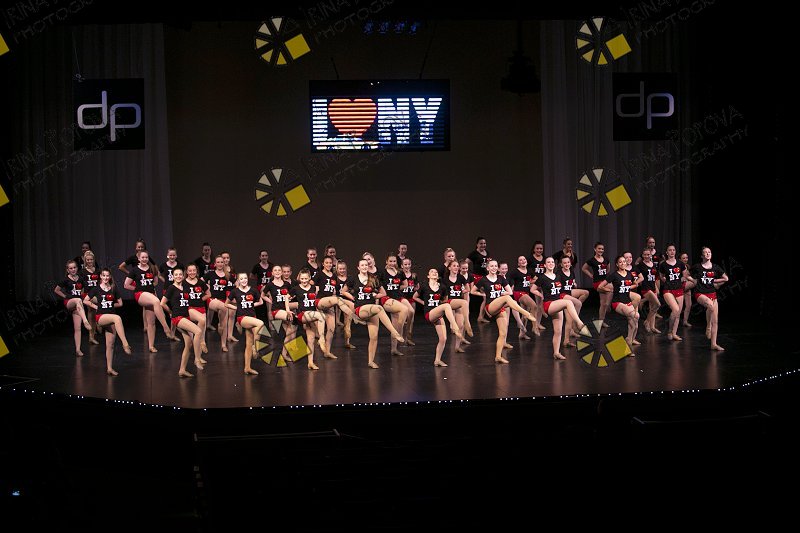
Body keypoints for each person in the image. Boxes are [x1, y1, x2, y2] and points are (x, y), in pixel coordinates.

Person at [470, 259, 538, 364]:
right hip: (490, 306)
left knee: (503, 333)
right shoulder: (483, 280)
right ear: (487, 268)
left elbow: (510, 292)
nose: (493, 268)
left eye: (495, 266)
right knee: (507, 299)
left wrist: (501, 293)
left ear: (497, 268)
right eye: (491, 266)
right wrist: (483, 294)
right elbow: (472, 291)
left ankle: (498, 356)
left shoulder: (501, 278)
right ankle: (526, 314)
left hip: (500, 306)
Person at [341, 258, 405, 369]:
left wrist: (375, 296)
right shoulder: (353, 278)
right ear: (358, 267)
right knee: (379, 308)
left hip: (372, 308)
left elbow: (383, 293)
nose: (364, 267)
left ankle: (371, 361)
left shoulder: (373, 278)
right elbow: (343, 291)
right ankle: (394, 332)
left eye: (366, 265)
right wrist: (353, 298)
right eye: (362, 265)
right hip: (360, 309)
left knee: (374, 337)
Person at [532, 257, 589, 360]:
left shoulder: (557, 276)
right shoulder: (542, 277)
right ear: (545, 265)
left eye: (552, 262)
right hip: (549, 304)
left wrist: (573, 284)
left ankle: (556, 353)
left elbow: (563, 288)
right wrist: (540, 295)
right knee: (568, 302)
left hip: (557, 303)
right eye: (548, 262)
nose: (550, 263)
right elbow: (533, 289)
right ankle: (579, 323)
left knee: (558, 331)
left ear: (554, 264)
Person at [123, 250, 176, 352]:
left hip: (151, 295)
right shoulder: (134, 270)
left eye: (146, 257)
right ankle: (166, 328)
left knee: (151, 322)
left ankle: (151, 346)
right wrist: (138, 288)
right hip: (140, 295)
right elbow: (126, 285)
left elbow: (155, 282)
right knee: (156, 301)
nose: (145, 259)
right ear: (139, 258)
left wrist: (149, 288)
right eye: (142, 257)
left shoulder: (152, 269)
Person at [83, 268, 132, 376]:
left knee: (110, 345)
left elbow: (120, 303)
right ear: (100, 276)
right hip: (100, 317)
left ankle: (109, 368)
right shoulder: (96, 288)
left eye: (107, 276)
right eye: (104, 275)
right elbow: (85, 300)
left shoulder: (113, 288)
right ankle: (125, 344)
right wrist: (96, 306)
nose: (105, 278)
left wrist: (110, 305)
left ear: (110, 277)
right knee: (117, 318)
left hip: (110, 316)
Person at [413, 268, 464, 366]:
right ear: (428, 276)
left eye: (436, 272)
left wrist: (441, 305)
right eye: (432, 272)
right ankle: (455, 327)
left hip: (438, 314)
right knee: (447, 306)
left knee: (443, 338)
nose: (434, 273)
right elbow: (415, 297)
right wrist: (424, 303)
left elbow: (445, 300)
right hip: (429, 314)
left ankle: (437, 360)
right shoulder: (424, 286)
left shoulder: (442, 287)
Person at [161, 268, 205, 377]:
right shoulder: (171, 288)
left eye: (180, 274)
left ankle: (182, 370)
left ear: (183, 275)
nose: (178, 276)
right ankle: (197, 359)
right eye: (176, 274)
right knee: (198, 331)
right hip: (178, 317)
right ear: (173, 276)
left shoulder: (184, 287)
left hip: (185, 316)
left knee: (188, 344)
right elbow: (162, 303)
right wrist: (170, 312)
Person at [314, 256, 361, 360]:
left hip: (330, 303)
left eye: (330, 263)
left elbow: (334, 291)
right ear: (323, 264)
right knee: (337, 299)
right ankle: (354, 317)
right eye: (326, 263)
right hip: (321, 301)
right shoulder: (319, 274)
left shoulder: (334, 277)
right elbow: (312, 285)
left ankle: (327, 352)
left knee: (331, 329)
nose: (329, 264)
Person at [686, 246, 728, 351]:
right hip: (700, 293)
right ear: (702, 255)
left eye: (709, 252)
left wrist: (715, 281)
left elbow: (726, 278)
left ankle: (713, 344)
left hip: (712, 294)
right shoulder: (697, 267)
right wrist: (694, 281)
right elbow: (686, 274)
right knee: (710, 305)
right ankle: (708, 326)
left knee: (715, 321)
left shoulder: (715, 267)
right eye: (705, 252)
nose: (708, 253)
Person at [288, 268, 330, 370]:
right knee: (321, 316)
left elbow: (315, 302)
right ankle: (321, 338)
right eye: (302, 279)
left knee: (310, 340)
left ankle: (310, 362)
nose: (304, 281)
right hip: (302, 314)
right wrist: (288, 310)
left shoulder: (314, 288)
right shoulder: (296, 288)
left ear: (309, 278)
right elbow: (286, 297)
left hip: (311, 315)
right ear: (299, 278)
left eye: (306, 278)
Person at [596, 255, 640, 351]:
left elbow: (636, 284)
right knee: (634, 317)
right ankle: (629, 345)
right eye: (620, 262)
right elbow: (600, 287)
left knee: (635, 323)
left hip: (628, 302)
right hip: (618, 303)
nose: (623, 263)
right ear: (617, 264)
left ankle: (629, 339)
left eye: (624, 261)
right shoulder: (614, 275)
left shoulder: (629, 274)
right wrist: (609, 290)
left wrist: (628, 287)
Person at [226, 272, 266, 375]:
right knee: (261, 323)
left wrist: (251, 304)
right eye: (241, 279)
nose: (244, 280)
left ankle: (247, 368)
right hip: (242, 318)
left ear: (247, 279)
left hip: (252, 317)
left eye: (245, 278)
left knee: (248, 343)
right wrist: (237, 308)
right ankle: (255, 347)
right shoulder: (235, 291)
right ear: (238, 281)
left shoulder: (253, 290)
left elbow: (261, 302)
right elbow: (226, 304)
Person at [54, 259, 91, 356]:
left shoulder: (81, 279)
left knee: (77, 328)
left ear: (77, 268)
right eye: (71, 268)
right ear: (67, 270)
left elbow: (83, 290)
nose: (73, 269)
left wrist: (83, 297)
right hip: (69, 302)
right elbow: (56, 290)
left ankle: (78, 350)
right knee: (77, 300)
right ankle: (85, 321)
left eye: (74, 267)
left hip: (78, 306)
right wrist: (65, 296)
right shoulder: (65, 279)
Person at [118, 239, 156, 331]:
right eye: (138, 247)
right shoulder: (132, 258)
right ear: (136, 248)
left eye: (142, 247)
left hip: (146, 280)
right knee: (144, 304)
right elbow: (120, 267)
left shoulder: (146, 257)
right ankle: (146, 325)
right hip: (138, 280)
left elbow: (155, 267)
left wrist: (155, 274)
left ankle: (148, 324)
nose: (140, 248)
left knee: (147, 305)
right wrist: (130, 274)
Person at [263, 264, 298, 362]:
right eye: (275, 270)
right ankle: (284, 353)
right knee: (293, 319)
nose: (277, 272)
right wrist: (271, 301)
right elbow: (263, 295)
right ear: (272, 273)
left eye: (279, 270)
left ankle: (286, 353)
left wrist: (289, 300)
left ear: (281, 272)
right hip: (276, 310)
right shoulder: (270, 285)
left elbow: (291, 295)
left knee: (291, 331)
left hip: (285, 309)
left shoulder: (286, 284)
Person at [379, 254, 409, 356]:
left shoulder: (400, 273)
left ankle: (394, 349)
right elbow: (377, 285)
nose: (392, 263)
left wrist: (396, 288)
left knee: (395, 325)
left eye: (394, 261)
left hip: (396, 298)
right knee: (405, 309)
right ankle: (399, 334)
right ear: (386, 262)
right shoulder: (382, 273)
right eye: (390, 261)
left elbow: (405, 284)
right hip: (387, 299)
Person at [203, 255, 233, 352]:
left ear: (224, 263)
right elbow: (200, 281)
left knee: (224, 324)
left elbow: (236, 284)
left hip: (223, 301)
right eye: (218, 262)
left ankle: (223, 345)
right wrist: (207, 287)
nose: (220, 264)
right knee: (225, 308)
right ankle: (219, 325)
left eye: (222, 262)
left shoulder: (228, 275)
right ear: (215, 264)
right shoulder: (210, 274)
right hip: (212, 299)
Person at [659, 244, 688, 341]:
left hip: (679, 289)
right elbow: (661, 276)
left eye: (673, 250)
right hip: (668, 289)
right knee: (675, 309)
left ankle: (674, 333)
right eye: (670, 250)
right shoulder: (663, 264)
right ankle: (670, 330)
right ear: (667, 252)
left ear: (675, 252)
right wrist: (666, 280)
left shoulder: (680, 263)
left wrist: (680, 280)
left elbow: (685, 274)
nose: (672, 252)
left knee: (678, 313)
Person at [507, 256, 539, 341]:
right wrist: (511, 286)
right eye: (520, 260)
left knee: (525, 315)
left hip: (526, 293)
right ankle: (535, 326)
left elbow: (536, 279)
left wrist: (530, 282)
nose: (523, 261)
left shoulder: (529, 271)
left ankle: (522, 334)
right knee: (534, 306)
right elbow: (508, 279)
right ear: (518, 263)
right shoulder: (515, 272)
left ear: (526, 261)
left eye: (524, 259)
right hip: (519, 293)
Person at [559, 256, 589, 346]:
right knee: (578, 304)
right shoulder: (559, 273)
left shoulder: (571, 271)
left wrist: (574, 283)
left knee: (585, 293)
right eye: (564, 263)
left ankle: (567, 339)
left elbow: (572, 282)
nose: (567, 264)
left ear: (570, 263)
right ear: (561, 264)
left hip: (569, 292)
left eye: (568, 262)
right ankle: (576, 322)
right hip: (562, 295)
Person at [582, 242, 612, 326]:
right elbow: (584, 268)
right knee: (612, 287)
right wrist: (590, 275)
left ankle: (601, 322)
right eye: (599, 248)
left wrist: (604, 277)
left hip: (604, 282)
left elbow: (608, 270)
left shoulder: (606, 259)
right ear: (595, 249)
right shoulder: (592, 260)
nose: (601, 250)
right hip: (597, 283)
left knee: (603, 304)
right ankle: (609, 305)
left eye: (602, 249)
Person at [158, 247, 184, 339]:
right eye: (170, 255)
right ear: (167, 256)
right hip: (167, 289)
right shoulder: (163, 265)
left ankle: (173, 333)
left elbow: (183, 275)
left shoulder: (180, 265)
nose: (172, 257)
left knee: (175, 311)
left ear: (176, 256)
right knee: (170, 311)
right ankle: (171, 331)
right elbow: (159, 274)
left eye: (174, 255)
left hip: (177, 290)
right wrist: (165, 280)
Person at [184, 263, 210, 354]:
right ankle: (199, 344)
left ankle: (199, 355)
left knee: (202, 333)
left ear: (196, 271)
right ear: (187, 272)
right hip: (189, 308)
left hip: (201, 307)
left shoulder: (200, 282)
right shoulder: (183, 283)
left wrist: (200, 299)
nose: (192, 272)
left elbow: (208, 294)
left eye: (194, 270)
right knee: (193, 337)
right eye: (190, 271)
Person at [635, 248, 661, 334]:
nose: (646, 256)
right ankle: (647, 322)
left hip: (653, 287)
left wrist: (656, 288)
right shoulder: (640, 265)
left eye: (648, 254)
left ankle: (652, 327)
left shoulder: (653, 264)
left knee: (653, 308)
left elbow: (654, 278)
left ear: (651, 255)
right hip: (645, 288)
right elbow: (636, 276)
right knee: (657, 304)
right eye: (645, 255)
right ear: (642, 255)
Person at [79, 250, 101, 345]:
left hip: (97, 293)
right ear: (85, 260)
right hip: (88, 295)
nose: (89, 261)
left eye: (91, 259)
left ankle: (92, 335)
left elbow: (101, 282)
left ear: (93, 260)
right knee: (92, 312)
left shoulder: (98, 270)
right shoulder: (82, 272)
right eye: (87, 260)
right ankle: (93, 333)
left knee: (93, 313)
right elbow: (80, 285)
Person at [467, 237, 491, 323]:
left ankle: (481, 316)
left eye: (484, 243)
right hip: (477, 277)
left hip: (485, 277)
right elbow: (465, 263)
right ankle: (482, 315)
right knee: (485, 296)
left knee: (486, 296)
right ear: (477, 244)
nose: (483, 245)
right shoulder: (474, 254)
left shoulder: (487, 252)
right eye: (481, 243)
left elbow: (488, 263)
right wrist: (471, 274)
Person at [335, 260, 358, 349]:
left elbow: (354, 289)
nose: (342, 270)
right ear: (337, 269)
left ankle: (347, 341)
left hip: (347, 300)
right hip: (338, 300)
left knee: (347, 321)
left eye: (344, 269)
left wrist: (351, 293)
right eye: (340, 269)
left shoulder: (350, 278)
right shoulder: (334, 278)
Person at [527, 241, 547, 331]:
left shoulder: (545, 258)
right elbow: (527, 269)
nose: (539, 250)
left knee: (540, 304)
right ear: (534, 249)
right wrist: (533, 277)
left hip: (541, 282)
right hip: (533, 282)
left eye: (541, 249)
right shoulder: (530, 259)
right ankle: (534, 324)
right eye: (537, 248)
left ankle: (537, 323)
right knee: (536, 304)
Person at [399, 257, 418, 344]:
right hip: (402, 299)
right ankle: (400, 337)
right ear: (402, 266)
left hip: (411, 299)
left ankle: (408, 338)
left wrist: (416, 288)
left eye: (408, 264)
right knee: (403, 319)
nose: (407, 266)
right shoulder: (399, 275)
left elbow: (417, 287)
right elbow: (397, 287)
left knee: (411, 320)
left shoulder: (414, 276)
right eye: (405, 264)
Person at [679, 252, 693, 327]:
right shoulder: (678, 266)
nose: (685, 259)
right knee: (679, 306)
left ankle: (685, 321)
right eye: (683, 258)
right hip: (681, 286)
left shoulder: (687, 266)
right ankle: (675, 321)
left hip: (687, 287)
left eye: (686, 258)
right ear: (680, 259)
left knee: (689, 305)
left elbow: (688, 276)